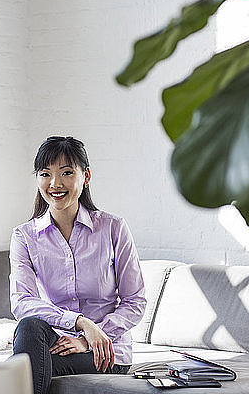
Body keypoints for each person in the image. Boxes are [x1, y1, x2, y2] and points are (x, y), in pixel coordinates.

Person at [9, 136, 146, 394]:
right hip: (55, 340)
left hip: (107, 350)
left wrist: (89, 338)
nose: (55, 184)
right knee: (28, 326)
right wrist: (81, 322)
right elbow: (22, 302)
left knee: (19, 369)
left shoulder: (113, 228)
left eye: (67, 172)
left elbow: (135, 301)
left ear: (86, 176)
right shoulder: (24, 236)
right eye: (45, 174)